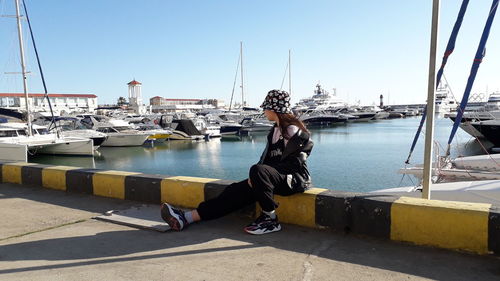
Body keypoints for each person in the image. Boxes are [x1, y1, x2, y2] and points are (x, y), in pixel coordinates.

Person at [161, 89, 313, 235]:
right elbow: (266, 162)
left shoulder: (292, 130)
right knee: (233, 191)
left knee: (257, 170)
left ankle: (270, 219)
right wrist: (258, 178)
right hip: (271, 179)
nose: (264, 111)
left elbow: (295, 164)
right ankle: (185, 218)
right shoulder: (275, 130)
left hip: (294, 180)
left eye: (266, 108)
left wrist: (261, 175)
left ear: (273, 109)